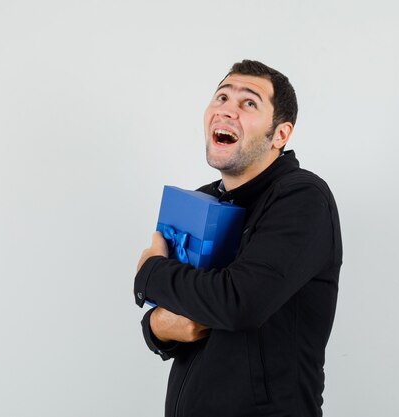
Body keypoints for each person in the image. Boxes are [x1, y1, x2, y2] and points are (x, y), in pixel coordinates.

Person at [134, 60, 343, 417]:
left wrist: (149, 274)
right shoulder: (201, 200)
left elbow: (238, 303)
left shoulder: (303, 198)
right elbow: (176, 314)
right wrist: (155, 328)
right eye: (221, 97)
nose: (227, 110)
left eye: (249, 103)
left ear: (280, 134)